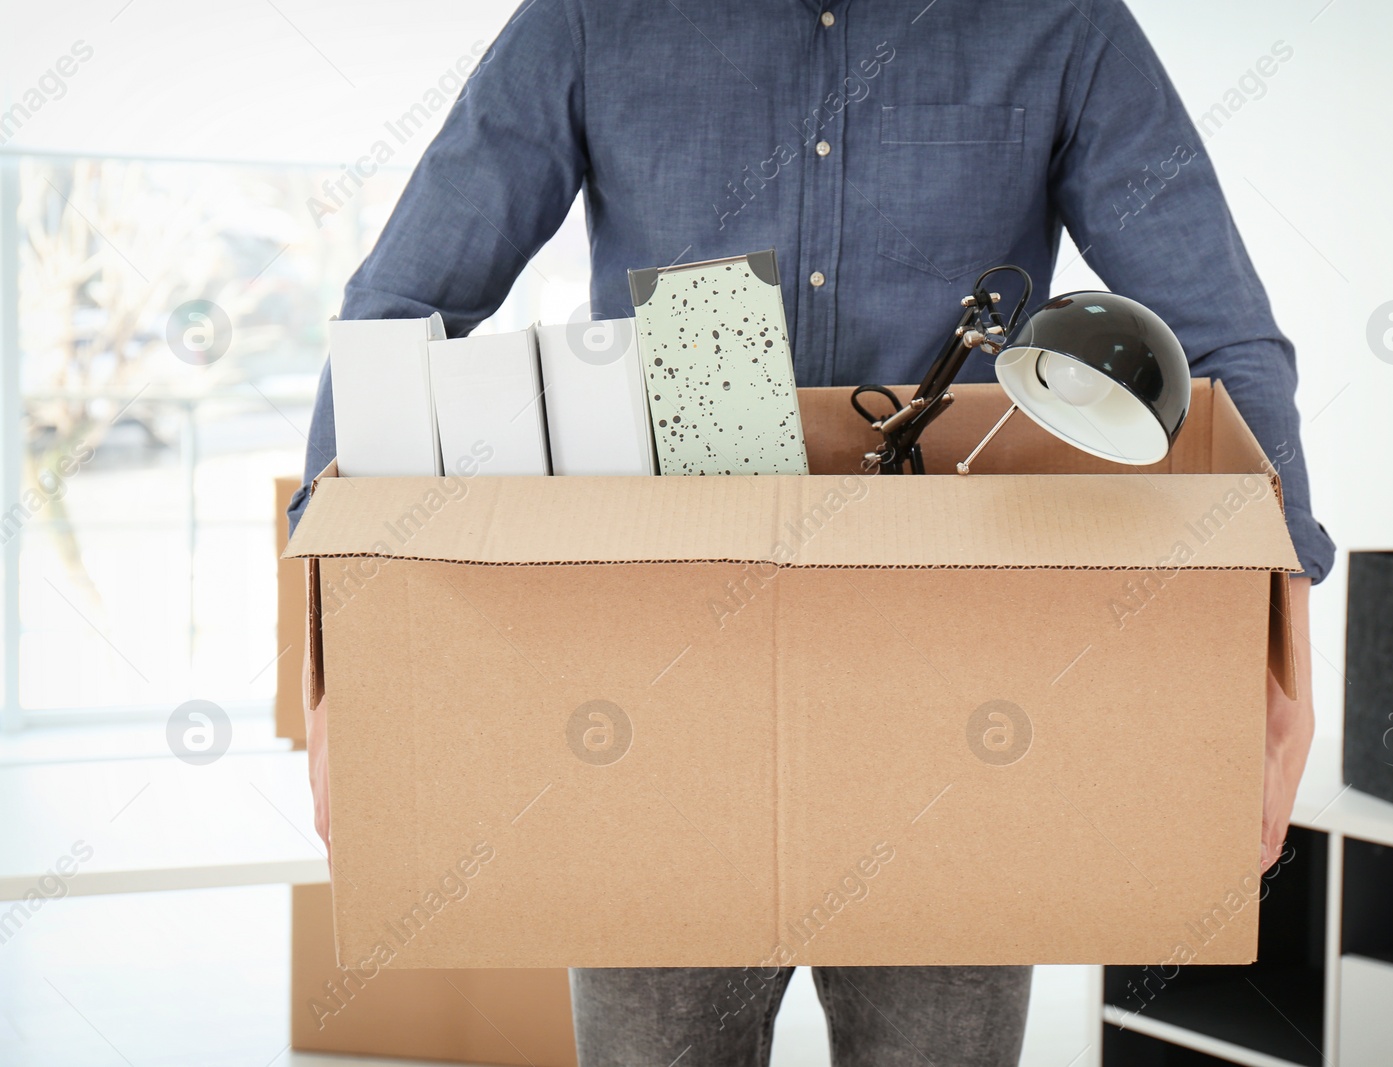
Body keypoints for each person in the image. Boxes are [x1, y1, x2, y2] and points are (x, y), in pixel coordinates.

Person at [288, 2, 1333, 1064]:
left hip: (958, 702)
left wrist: (1274, 638)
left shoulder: (1057, 22)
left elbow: (1220, 342)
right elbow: (403, 302)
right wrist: (334, 649)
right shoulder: (592, 17)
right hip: (660, 698)